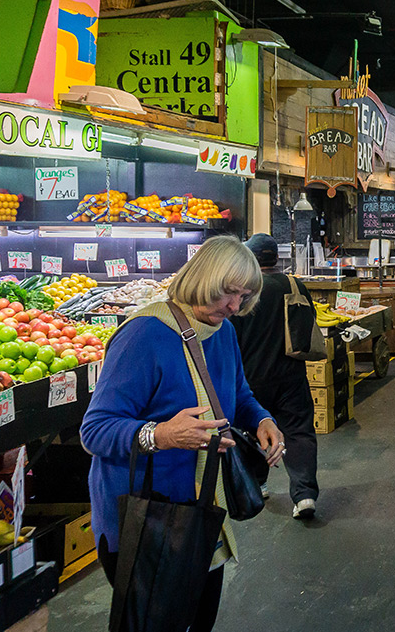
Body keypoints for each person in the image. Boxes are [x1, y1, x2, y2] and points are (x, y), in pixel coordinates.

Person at [81, 235, 287, 632]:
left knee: (199, 621)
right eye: (229, 293)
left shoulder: (221, 330)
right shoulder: (143, 336)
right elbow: (95, 430)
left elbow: (237, 392)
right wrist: (161, 435)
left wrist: (262, 419)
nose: (234, 307)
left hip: (201, 515)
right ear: (204, 279)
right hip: (148, 521)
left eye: (243, 297)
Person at [231, 234, 321, 520]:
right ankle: (304, 495)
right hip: (291, 375)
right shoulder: (293, 284)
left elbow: (231, 336)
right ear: (274, 258)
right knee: (298, 432)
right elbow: (308, 323)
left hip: (251, 380)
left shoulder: (242, 292)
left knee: (251, 433)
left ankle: (259, 484)